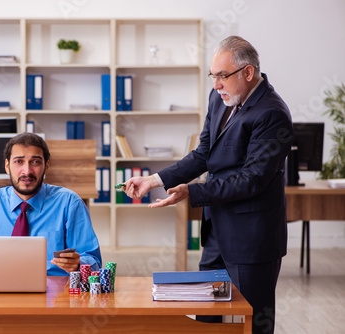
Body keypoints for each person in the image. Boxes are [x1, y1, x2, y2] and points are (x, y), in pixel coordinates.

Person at [123, 36, 293, 334]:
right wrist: (153, 180)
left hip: (253, 239)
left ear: (248, 73)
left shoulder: (272, 113)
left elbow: (251, 179)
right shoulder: (220, 98)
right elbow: (203, 154)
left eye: (222, 76)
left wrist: (192, 192)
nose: (215, 85)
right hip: (216, 232)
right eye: (213, 76)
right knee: (207, 316)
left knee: (253, 323)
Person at [0, 132, 102, 276]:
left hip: (54, 295)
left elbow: (94, 262)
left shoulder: (69, 204)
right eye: (19, 161)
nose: (27, 171)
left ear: (46, 167)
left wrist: (78, 264)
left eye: (35, 162)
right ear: (7, 166)